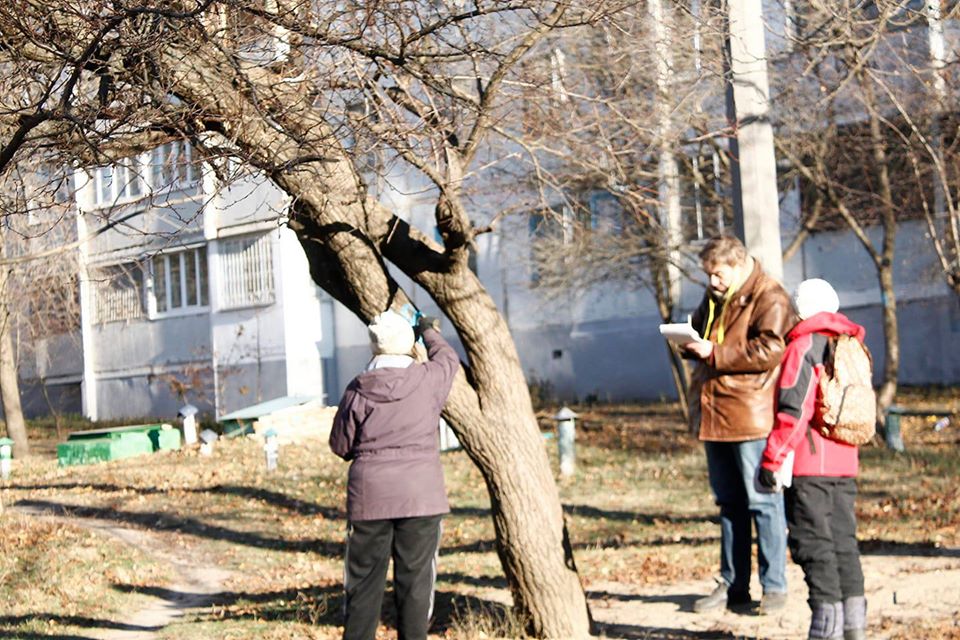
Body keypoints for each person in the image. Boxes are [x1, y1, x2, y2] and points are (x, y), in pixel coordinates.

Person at [329, 310, 459, 640]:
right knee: (416, 587)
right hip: (421, 498)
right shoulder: (429, 379)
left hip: (370, 500)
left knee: (362, 588)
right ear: (408, 343)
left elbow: (340, 444)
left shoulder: (357, 389)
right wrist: (428, 330)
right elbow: (448, 356)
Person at [684, 235, 796, 615]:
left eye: (717, 275)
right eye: (709, 276)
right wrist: (691, 338)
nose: (712, 282)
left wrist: (714, 353)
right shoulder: (719, 294)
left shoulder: (771, 297)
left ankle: (775, 587)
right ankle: (733, 585)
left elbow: (769, 350)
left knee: (763, 503)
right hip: (715, 412)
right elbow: (702, 329)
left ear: (738, 264)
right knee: (729, 504)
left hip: (750, 415)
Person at [759, 278, 868, 640]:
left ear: (798, 310)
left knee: (814, 547)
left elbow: (794, 410)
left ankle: (825, 631)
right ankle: (854, 629)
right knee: (843, 547)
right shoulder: (851, 345)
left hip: (809, 465)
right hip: (845, 462)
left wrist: (773, 461)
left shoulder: (804, 345)